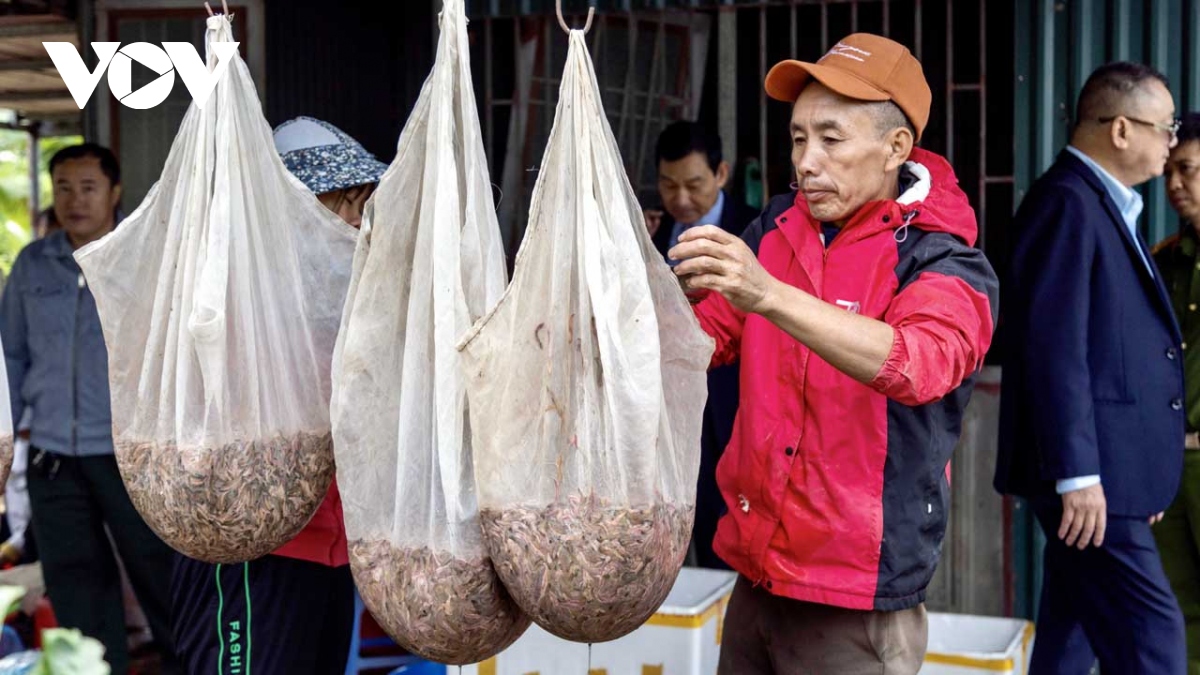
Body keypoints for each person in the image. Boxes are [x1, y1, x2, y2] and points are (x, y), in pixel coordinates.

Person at [669, 33, 998, 674]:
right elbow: (707, 337)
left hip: (855, 599)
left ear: (895, 147)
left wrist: (767, 294)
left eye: (831, 138)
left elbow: (917, 362)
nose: (807, 161)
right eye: (798, 139)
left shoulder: (944, 259)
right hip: (757, 575)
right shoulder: (777, 228)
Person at [170, 116, 387, 675]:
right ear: (293, 211)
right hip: (252, 553)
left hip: (331, 552)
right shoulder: (230, 290)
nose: (361, 222)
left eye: (365, 204)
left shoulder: (343, 293)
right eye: (347, 203)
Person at [995, 62, 1187, 674]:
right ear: (1123, 129)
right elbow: (1055, 348)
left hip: (1111, 476)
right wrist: (1080, 476)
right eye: (1167, 128)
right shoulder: (1068, 205)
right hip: (1090, 483)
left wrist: (1138, 467)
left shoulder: (1104, 204)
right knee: (1154, 639)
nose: (1172, 143)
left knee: (1069, 634)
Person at [0, 143, 180, 674]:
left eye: (87, 188)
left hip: (131, 455)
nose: (73, 201)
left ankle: (187, 663)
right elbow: (11, 356)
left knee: (160, 574)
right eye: (63, 189)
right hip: (53, 457)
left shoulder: (142, 255)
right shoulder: (34, 263)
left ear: (115, 193)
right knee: (75, 584)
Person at [648, 121, 756, 569]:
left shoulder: (756, 229)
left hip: (732, 411)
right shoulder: (651, 234)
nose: (682, 199)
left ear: (722, 174)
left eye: (694, 184)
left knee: (727, 539)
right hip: (667, 417)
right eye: (669, 185)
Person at [1150, 111, 1200, 674]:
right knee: (1172, 610)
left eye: (1186, 170)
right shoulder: (1161, 261)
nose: (1174, 185)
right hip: (1170, 465)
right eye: (1168, 171)